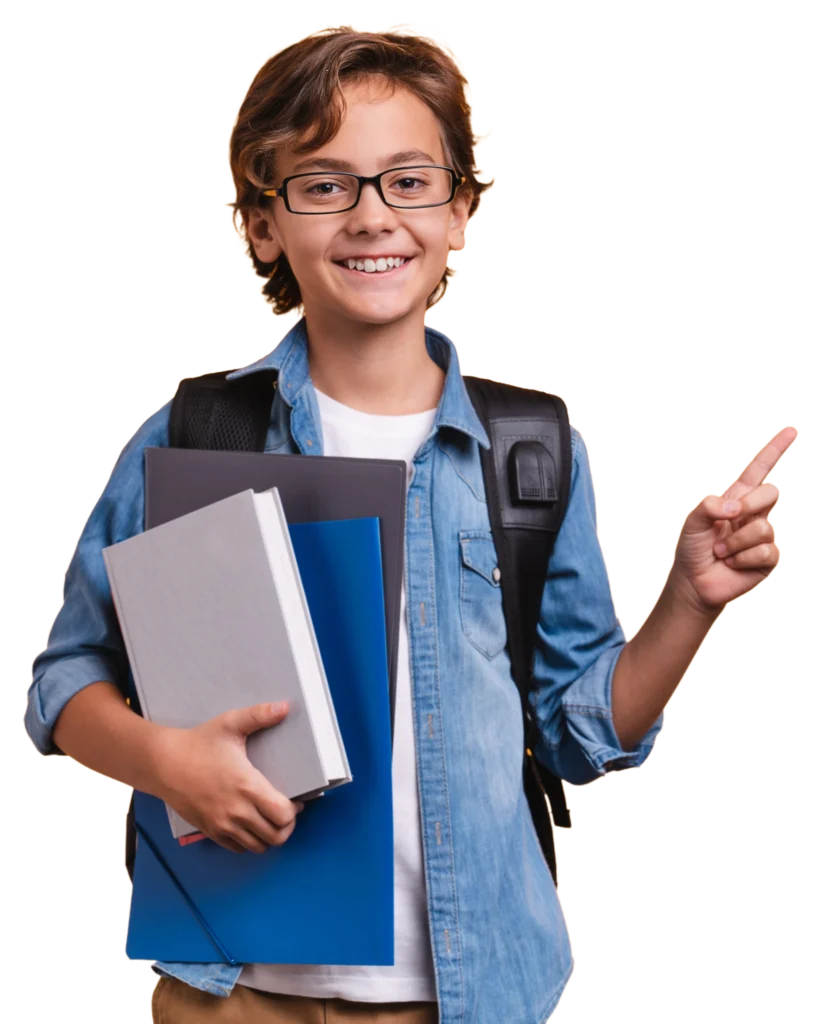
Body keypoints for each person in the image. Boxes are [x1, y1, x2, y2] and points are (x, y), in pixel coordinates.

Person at [22, 22, 797, 1024]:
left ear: (460, 212)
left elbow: (577, 731)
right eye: (322, 183)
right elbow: (68, 673)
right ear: (263, 223)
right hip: (235, 993)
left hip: (468, 993)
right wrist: (159, 761)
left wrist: (687, 604)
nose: (369, 215)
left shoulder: (531, 447)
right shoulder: (195, 432)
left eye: (406, 181)